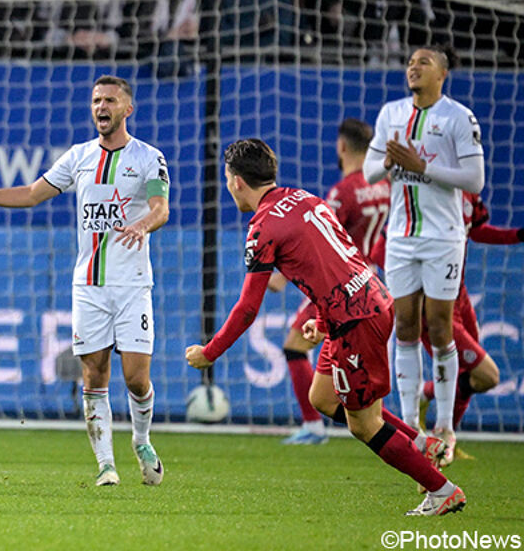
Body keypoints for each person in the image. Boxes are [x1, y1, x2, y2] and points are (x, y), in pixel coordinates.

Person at [186, 138, 465, 517]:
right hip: (368, 300)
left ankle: (441, 490)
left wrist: (210, 352)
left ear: (235, 181)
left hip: (355, 322)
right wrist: (323, 316)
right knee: (324, 398)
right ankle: (421, 443)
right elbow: (334, 262)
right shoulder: (305, 198)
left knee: (364, 424)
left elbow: (248, 308)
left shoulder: (262, 228)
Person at [0, 76, 170, 487]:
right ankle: (106, 464)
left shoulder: (149, 158)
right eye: (95, 100)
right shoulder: (79, 156)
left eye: (109, 101)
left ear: (127, 109)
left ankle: (141, 439)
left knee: (137, 378)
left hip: (132, 284)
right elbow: (33, 193)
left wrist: (143, 225)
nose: (101, 107)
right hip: (87, 286)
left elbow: (161, 208)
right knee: (93, 374)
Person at [363, 45, 484, 461]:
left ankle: (446, 428)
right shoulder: (391, 113)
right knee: (405, 325)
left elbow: (475, 178)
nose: (414, 67)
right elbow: (370, 170)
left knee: (439, 327)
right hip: (400, 235)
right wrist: (394, 165)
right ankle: (413, 427)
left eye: (424, 62)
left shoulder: (458, 117)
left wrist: (420, 165)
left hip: (443, 236)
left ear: (442, 74)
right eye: (411, 62)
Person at [272, 118, 389, 445]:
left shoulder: (343, 192)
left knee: (295, 346)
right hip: (369, 280)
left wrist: (282, 277)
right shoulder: (382, 186)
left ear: (341, 146)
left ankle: (314, 425)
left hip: (339, 286)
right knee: (348, 363)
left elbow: (321, 242)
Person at [410, 192, 520, 458]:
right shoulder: (420, 191)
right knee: (487, 376)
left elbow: (477, 231)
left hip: (459, 296)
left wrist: (518, 236)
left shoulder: (467, 186)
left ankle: (445, 435)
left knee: (467, 374)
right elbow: (382, 249)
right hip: (433, 304)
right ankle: (426, 405)